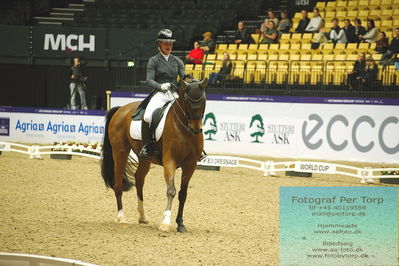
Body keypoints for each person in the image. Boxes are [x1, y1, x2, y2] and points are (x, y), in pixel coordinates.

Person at [139, 29, 185, 159]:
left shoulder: (177, 61)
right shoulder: (154, 60)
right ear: (159, 44)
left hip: (174, 93)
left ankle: (193, 146)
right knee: (148, 116)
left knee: (187, 112)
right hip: (159, 93)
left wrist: (190, 81)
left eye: (170, 43)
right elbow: (149, 80)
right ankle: (147, 147)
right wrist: (160, 86)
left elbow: (184, 78)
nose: (168, 46)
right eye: (165, 43)